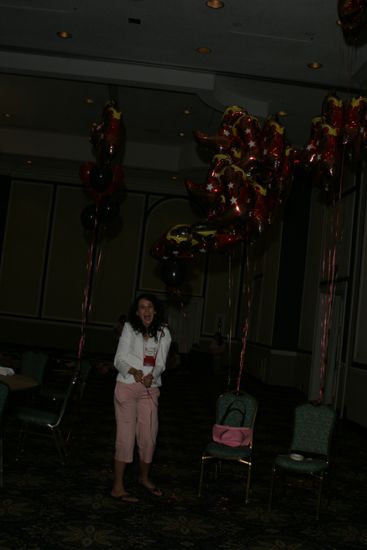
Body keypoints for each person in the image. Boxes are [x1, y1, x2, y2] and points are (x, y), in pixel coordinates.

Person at [111, 293, 171, 502]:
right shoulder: (129, 328)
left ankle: (143, 478)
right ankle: (117, 487)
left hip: (149, 390)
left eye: (150, 307)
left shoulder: (163, 332)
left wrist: (151, 376)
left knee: (148, 438)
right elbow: (118, 359)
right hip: (126, 387)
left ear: (155, 310)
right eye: (142, 307)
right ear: (137, 312)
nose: (146, 311)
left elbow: (161, 362)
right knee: (125, 438)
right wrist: (133, 370)